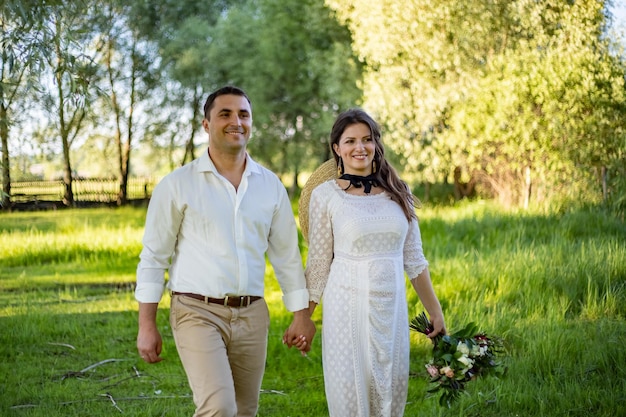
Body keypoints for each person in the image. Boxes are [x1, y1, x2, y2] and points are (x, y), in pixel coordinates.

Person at [135, 85, 316, 417]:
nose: (236, 121)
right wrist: (146, 324)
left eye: (243, 114)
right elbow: (154, 257)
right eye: (225, 114)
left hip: (252, 315)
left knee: (245, 411)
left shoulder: (270, 185)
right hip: (196, 311)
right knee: (218, 407)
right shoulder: (177, 185)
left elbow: (287, 257)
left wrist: (301, 316)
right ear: (206, 125)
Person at [302, 108, 446, 416]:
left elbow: (414, 260)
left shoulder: (399, 192)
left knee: (391, 396)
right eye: (350, 140)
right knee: (351, 396)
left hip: (391, 312)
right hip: (347, 311)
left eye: (367, 140)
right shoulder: (326, 196)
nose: (360, 147)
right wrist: (304, 318)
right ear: (336, 148)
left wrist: (436, 312)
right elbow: (317, 264)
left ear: (376, 145)